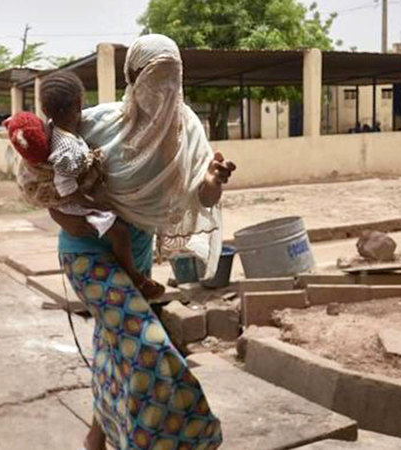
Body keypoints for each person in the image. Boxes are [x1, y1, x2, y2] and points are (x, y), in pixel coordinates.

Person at [46, 34, 235, 450]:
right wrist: (65, 215)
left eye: (170, 78)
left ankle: (97, 436)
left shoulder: (187, 132)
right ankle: (184, 437)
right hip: (87, 255)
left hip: (137, 256)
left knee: (116, 348)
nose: (161, 90)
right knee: (148, 347)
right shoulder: (97, 123)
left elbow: (201, 196)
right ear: (132, 78)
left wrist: (212, 182)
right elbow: (37, 182)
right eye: (153, 78)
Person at [5, 72, 164, 299]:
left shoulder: (52, 132)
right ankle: (135, 276)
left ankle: (137, 276)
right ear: (79, 102)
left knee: (114, 328)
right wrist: (92, 203)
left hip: (138, 243)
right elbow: (62, 185)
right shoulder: (74, 142)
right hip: (83, 237)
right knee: (119, 234)